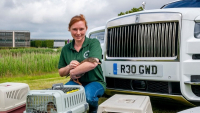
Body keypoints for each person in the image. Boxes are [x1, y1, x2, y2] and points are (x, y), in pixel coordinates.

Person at [58, 14, 106, 113]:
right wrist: (69, 67)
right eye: (74, 29)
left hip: (95, 81)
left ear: (86, 28)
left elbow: (93, 63)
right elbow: (61, 72)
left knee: (88, 96)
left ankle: (93, 109)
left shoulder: (93, 43)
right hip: (76, 82)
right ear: (69, 29)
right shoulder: (66, 49)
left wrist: (73, 72)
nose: (78, 33)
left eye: (81, 29)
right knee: (61, 95)